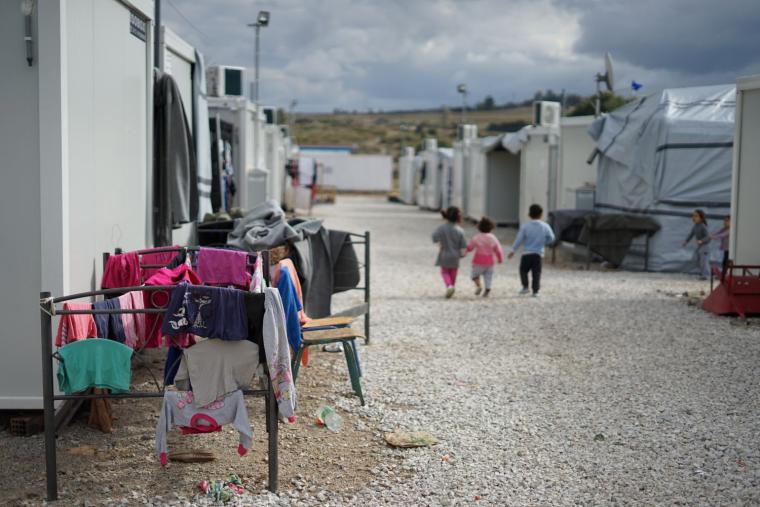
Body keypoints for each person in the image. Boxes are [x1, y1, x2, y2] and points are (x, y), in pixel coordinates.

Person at [508, 204, 555, 297]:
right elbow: (552, 238)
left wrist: (513, 250)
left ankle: (525, 287)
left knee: (523, 270)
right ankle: (535, 291)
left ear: (529, 214)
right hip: (538, 254)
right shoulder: (545, 226)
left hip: (527, 253)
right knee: (536, 273)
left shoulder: (525, 226)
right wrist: (545, 242)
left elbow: (519, 239)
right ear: (541, 215)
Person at [433, 206, 467, 298]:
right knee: (453, 272)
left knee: (444, 272)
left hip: (444, 253)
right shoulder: (460, 230)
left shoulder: (441, 228)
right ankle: (452, 286)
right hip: (455, 255)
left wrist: (439, 243)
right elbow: (463, 245)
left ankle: (449, 286)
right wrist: (463, 253)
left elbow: (434, 237)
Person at [466, 216, 504, 297]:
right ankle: (488, 288)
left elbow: (470, 247)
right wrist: (500, 258)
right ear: (491, 227)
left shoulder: (476, 237)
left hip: (478, 261)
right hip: (490, 261)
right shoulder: (493, 238)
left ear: (479, 227)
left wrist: (466, 250)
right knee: (488, 276)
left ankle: (479, 286)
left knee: (474, 275)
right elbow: (498, 249)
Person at [682, 209, 711, 280]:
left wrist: (702, 241)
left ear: (701, 218)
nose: (693, 218)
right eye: (693, 216)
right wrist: (686, 241)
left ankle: (706, 275)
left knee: (704, 261)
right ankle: (702, 273)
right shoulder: (695, 226)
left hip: (704, 246)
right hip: (699, 246)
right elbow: (691, 234)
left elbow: (708, 237)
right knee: (696, 258)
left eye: (696, 216)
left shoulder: (703, 226)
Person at [710, 215, 731, 279]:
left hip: (730, 250)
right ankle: (723, 274)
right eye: (724, 220)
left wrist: (714, 237)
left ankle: (724, 275)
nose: (724, 222)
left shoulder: (730, 230)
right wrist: (712, 235)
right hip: (726, 249)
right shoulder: (724, 229)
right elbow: (719, 232)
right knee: (724, 262)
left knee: (726, 262)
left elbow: (722, 235)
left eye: (727, 221)